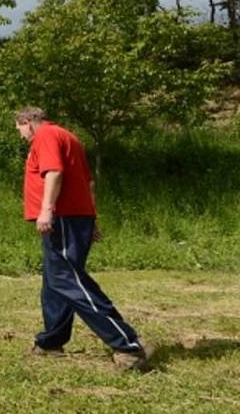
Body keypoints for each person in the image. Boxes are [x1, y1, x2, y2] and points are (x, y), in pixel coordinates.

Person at [15, 107, 148, 371]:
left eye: (19, 129)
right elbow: (87, 183)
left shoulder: (46, 135)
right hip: (76, 217)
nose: (21, 136)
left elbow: (54, 172)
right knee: (55, 283)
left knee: (68, 280)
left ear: (28, 122)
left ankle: (127, 344)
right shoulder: (68, 136)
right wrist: (92, 219)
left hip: (63, 218)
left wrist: (47, 209)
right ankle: (51, 342)